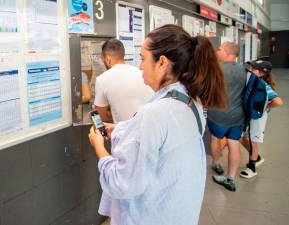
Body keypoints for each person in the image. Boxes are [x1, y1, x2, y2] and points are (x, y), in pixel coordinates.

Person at [88, 24, 227, 225]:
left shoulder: (155, 113)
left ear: (162, 63)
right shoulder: (190, 101)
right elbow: (167, 140)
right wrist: (121, 129)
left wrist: (99, 148)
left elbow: (123, 183)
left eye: (143, 58)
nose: (140, 66)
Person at [208, 42, 247, 192]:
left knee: (215, 139)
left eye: (219, 49)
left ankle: (216, 163)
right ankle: (230, 178)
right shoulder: (244, 70)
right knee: (234, 144)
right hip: (237, 115)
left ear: (227, 52)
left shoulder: (218, 70)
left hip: (218, 114)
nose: (217, 51)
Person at [239, 60, 283, 178]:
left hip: (258, 117)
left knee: (254, 140)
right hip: (250, 115)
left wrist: (266, 106)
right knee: (243, 137)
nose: (250, 70)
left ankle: (252, 167)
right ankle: (256, 157)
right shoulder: (252, 82)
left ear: (261, 73)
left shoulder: (263, 85)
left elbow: (278, 102)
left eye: (253, 69)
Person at [94, 38, 153, 123]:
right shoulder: (142, 73)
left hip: (125, 133)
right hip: (148, 129)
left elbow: (101, 117)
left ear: (107, 59)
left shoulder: (102, 79)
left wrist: (112, 113)